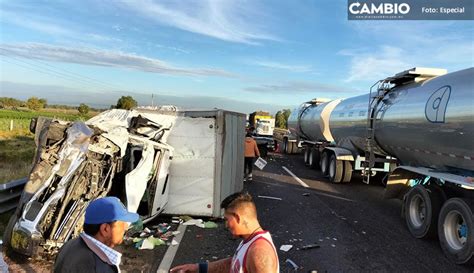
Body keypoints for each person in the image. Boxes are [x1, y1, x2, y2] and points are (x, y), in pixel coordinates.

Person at [170, 192, 279, 273]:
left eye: (227, 219)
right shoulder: (249, 242)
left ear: (237, 217)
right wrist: (197, 268)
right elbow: (234, 264)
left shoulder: (260, 252)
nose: (226, 225)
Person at [54, 196, 139, 273]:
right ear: (105, 229)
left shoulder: (70, 244)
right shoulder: (98, 267)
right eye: (122, 223)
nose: (126, 228)